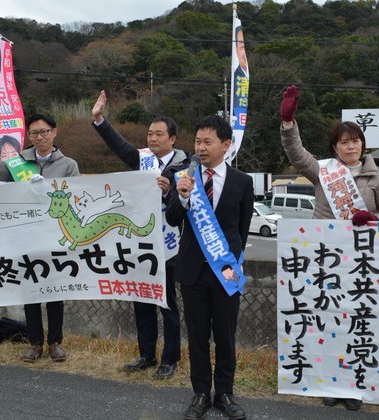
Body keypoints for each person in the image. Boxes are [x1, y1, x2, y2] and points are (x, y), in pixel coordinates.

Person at [279, 85, 379, 411]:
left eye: (356, 141)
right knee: (328, 321)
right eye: (344, 142)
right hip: (326, 260)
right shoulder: (323, 172)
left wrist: (372, 218)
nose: (351, 146)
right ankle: (329, 383)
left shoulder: (377, 178)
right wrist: (288, 122)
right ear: (335, 148)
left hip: (363, 262)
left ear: (363, 144)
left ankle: (354, 386)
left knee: (358, 322)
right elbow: (295, 152)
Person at [0, 111, 80, 363]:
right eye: (34, 133)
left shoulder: (68, 164)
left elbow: (76, 200)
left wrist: (45, 188)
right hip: (26, 235)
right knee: (31, 292)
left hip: (55, 237)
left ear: (54, 133)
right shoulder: (18, 163)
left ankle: (55, 342)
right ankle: (35, 343)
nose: (39, 137)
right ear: (28, 135)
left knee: (55, 292)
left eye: (44, 132)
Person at [92, 90, 186, 379]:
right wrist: (99, 120)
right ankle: (146, 354)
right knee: (142, 300)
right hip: (140, 244)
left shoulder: (184, 166)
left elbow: (186, 206)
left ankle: (169, 359)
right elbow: (120, 146)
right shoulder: (142, 159)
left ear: (172, 139)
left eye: (159, 134)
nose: (152, 138)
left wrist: (170, 191)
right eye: (149, 134)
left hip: (169, 246)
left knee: (167, 303)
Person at [167, 115, 253, 420]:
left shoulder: (243, 182)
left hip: (226, 271)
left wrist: (231, 260)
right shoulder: (184, 176)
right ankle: (201, 393)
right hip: (192, 271)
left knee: (226, 336)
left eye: (208, 142)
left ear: (225, 145)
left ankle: (225, 394)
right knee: (198, 335)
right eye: (197, 141)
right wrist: (184, 196)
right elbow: (172, 218)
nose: (200, 147)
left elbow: (242, 230)